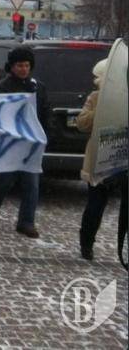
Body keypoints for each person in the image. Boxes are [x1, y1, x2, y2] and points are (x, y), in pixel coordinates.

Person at [0, 46, 49, 238]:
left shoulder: (38, 87)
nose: (24, 69)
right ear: (12, 67)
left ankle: (26, 222)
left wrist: (46, 134)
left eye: (27, 65)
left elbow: (45, 111)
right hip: (11, 142)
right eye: (20, 65)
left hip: (32, 142)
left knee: (32, 183)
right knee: (6, 179)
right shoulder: (3, 86)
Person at [76, 59, 128, 262]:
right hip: (102, 157)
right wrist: (102, 109)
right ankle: (86, 243)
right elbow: (82, 123)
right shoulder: (96, 97)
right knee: (96, 205)